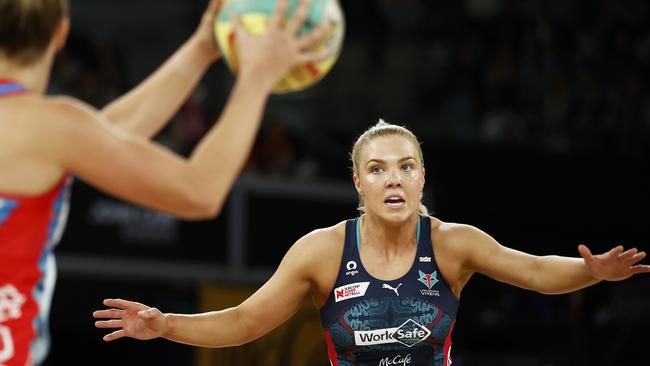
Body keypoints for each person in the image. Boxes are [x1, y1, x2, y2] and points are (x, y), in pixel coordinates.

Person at [94, 120, 650, 365]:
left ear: (422, 178)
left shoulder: (453, 244)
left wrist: (592, 273)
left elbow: (534, 271)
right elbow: (244, 321)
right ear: (359, 182)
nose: (394, 179)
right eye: (379, 169)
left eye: (406, 167)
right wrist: (165, 325)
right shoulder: (321, 251)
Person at [0, 0, 331, 364]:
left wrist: (202, 47)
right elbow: (199, 190)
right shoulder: (50, 128)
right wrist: (257, 77)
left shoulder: (47, 130)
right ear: (61, 32)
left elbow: (101, 137)